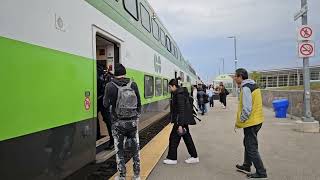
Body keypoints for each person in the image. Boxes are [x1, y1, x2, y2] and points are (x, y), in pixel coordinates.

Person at [103, 63, 142, 180]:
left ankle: (122, 176)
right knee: (136, 150)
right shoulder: (133, 84)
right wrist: (136, 117)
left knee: (119, 151)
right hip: (133, 123)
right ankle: (136, 176)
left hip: (118, 124)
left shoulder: (110, 86)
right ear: (125, 73)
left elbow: (105, 104)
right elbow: (139, 103)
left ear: (115, 74)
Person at [234, 68, 268, 179]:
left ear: (240, 76)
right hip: (257, 120)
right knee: (248, 143)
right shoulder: (253, 85)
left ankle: (261, 172)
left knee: (251, 146)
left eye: (235, 76)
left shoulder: (246, 88)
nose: (234, 78)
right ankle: (246, 165)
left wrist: (242, 119)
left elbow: (247, 108)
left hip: (251, 122)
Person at [163, 79, 199, 165]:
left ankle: (172, 158)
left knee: (173, 138)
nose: (169, 88)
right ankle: (194, 156)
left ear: (174, 86)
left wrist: (180, 125)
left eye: (170, 87)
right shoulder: (179, 93)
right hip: (182, 120)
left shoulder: (179, 95)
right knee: (186, 138)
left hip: (180, 121)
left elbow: (181, 110)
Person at [96, 63, 114, 150]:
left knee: (105, 120)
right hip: (104, 101)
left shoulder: (98, 73)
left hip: (100, 100)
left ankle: (98, 135)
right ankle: (112, 140)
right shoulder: (108, 75)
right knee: (108, 121)